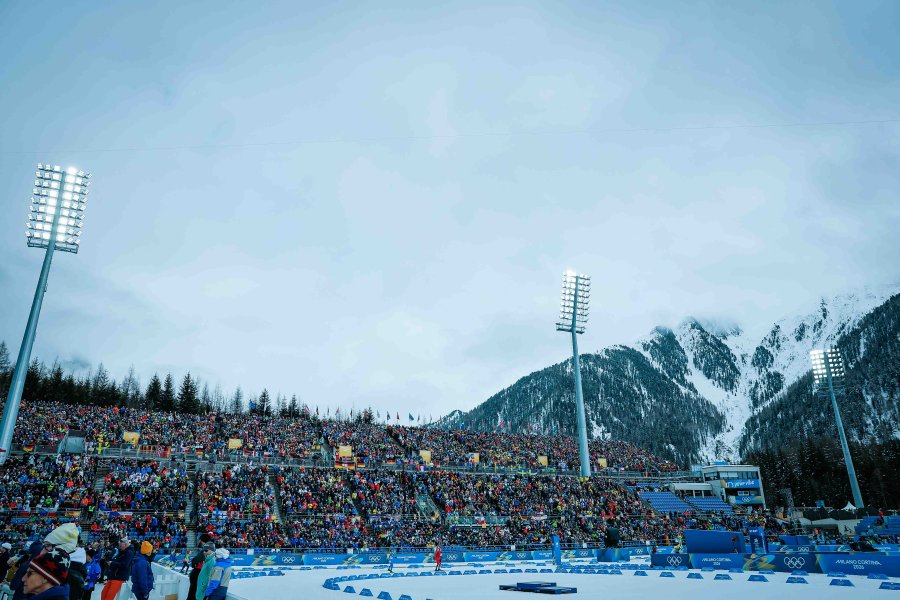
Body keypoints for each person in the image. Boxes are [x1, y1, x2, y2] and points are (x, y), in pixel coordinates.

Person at [186, 535, 212, 600]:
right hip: (202, 573)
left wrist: (193, 562)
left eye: (200, 540)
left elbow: (197, 559)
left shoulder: (207, 548)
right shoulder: (211, 547)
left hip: (199, 573)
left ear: (202, 541)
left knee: (193, 592)